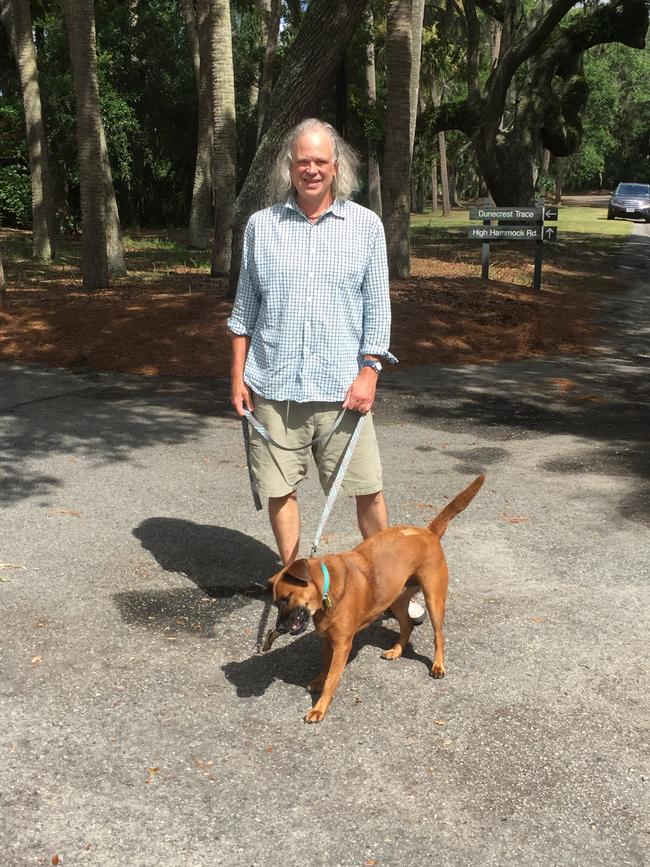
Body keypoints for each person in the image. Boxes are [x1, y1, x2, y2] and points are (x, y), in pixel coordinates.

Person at [227, 117, 425, 623]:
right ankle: (298, 584)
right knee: (280, 491)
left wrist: (370, 372)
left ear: (337, 167)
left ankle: (392, 586)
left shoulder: (364, 227)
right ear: (288, 168)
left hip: (344, 393)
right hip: (274, 388)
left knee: (368, 491)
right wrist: (237, 376)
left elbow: (377, 312)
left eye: (320, 161)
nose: (311, 170)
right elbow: (244, 309)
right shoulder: (262, 227)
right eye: (302, 161)